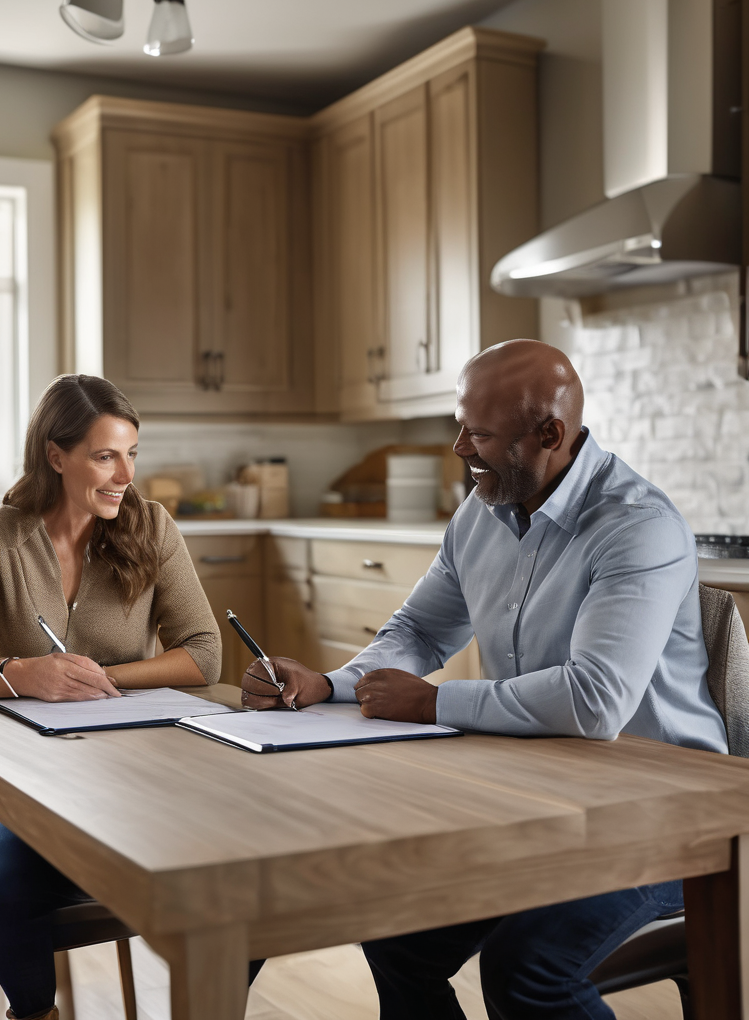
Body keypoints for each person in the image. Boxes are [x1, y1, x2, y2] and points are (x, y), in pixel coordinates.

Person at [242, 339, 727, 1020]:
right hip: (545, 797)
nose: (460, 447)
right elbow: (419, 632)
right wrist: (330, 683)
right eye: (459, 425)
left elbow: (595, 700)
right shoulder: (481, 513)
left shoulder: (635, 527)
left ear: (549, 435)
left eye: (480, 433)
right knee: (396, 935)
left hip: (670, 817)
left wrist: (437, 701)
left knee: (529, 970)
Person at [0, 373, 222, 1020]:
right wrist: (24, 674)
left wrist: (105, 679)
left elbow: (203, 653)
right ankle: (36, 1012)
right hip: (39, 781)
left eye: (131, 454)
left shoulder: (153, 527)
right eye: (104, 455)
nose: (124, 476)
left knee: (231, 882)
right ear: (56, 456)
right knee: (4, 903)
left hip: (148, 772)